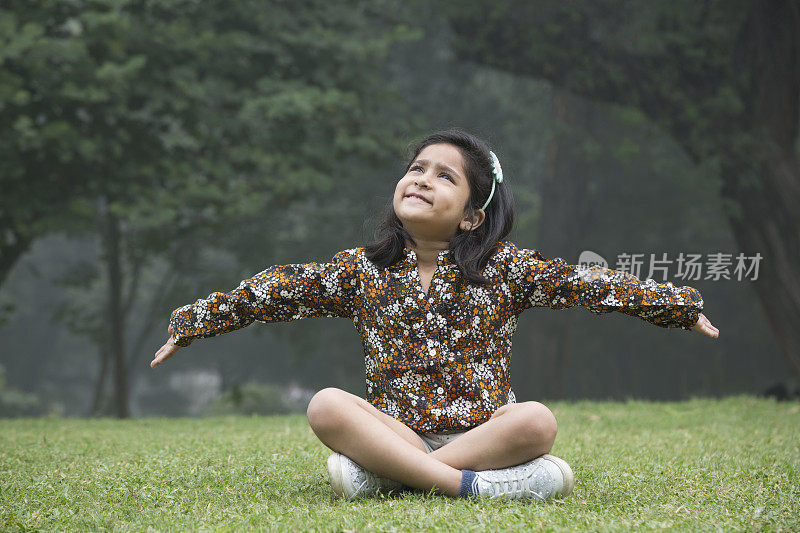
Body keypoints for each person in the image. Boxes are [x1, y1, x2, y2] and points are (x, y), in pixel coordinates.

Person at [151, 129, 719, 501]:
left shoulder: (506, 269)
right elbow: (277, 291)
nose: (422, 178)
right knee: (325, 404)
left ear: (472, 216)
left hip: (486, 431)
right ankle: (470, 486)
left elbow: (588, 285)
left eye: (445, 176)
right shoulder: (360, 270)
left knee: (538, 422)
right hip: (393, 429)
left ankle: (390, 476)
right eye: (418, 168)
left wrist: (676, 305)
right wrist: (195, 321)